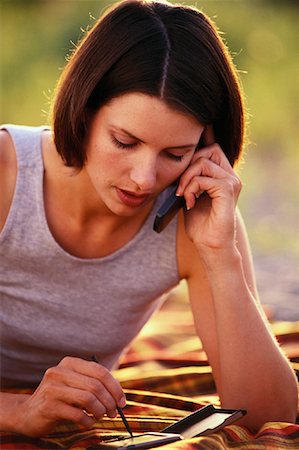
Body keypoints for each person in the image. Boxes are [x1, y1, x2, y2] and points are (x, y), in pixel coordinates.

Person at [0, 0, 297, 438]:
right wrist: (18, 413)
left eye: (174, 154)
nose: (144, 179)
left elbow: (270, 415)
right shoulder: (6, 175)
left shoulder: (195, 217)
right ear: (83, 113)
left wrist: (220, 253)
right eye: (124, 141)